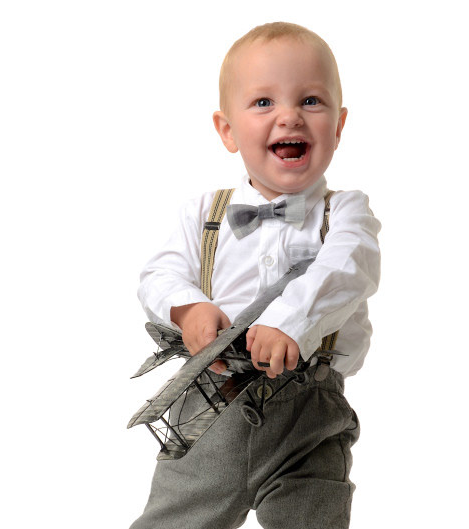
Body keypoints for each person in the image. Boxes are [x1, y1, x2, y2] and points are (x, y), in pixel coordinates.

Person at [130, 22, 381, 529]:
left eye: (311, 100)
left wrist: (290, 321)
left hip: (309, 422)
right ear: (227, 130)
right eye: (263, 102)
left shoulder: (346, 213)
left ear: (338, 125)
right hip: (210, 413)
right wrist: (189, 308)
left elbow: (347, 267)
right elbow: (159, 272)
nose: (289, 115)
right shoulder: (203, 212)